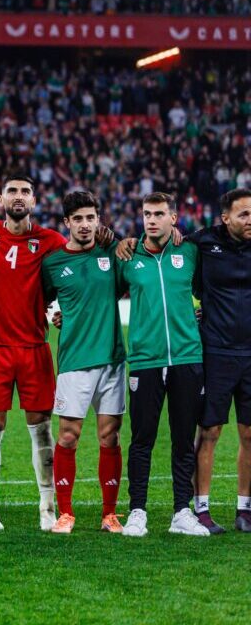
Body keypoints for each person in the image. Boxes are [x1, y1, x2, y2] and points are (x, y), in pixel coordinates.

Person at [0, 175, 66, 532]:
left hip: (33, 348)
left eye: (25, 191)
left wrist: (62, 312)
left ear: (35, 200)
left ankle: (47, 507)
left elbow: (72, 279)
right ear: (1, 200)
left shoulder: (51, 242)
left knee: (41, 429)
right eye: (12, 191)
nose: (19, 196)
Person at [115, 192, 207, 537]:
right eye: (146, 214)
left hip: (187, 358)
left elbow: (211, 287)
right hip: (144, 360)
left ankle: (182, 511)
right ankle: (137, 510)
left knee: (184, 439)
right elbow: (100, 293)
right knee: (142, 439)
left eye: (158, 214)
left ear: (174, 218)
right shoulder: (128, 255)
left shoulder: (190, 252)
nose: (151, 220)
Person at [40, 191, 127, 534]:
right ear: (67, 223)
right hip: (75, 360)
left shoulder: (112, 253)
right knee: (68, 436)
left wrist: (119, 240)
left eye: (91, 217)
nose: (86, 224)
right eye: (78, 219)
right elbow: (42, 299)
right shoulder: (54, 263)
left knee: (110, 436)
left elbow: (130, 279)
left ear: (98, 219)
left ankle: (109, 515)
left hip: (112, 359)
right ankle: (66, 513)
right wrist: (54, 313)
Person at [189, 188, 251, 533]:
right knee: (210, 431)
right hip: (216, 352)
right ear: (225, 218)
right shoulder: (203, 242)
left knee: (250, 432)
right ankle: (202, 508)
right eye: (244, 214)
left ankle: (245, 509)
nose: (250, 220)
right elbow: (169, 250)